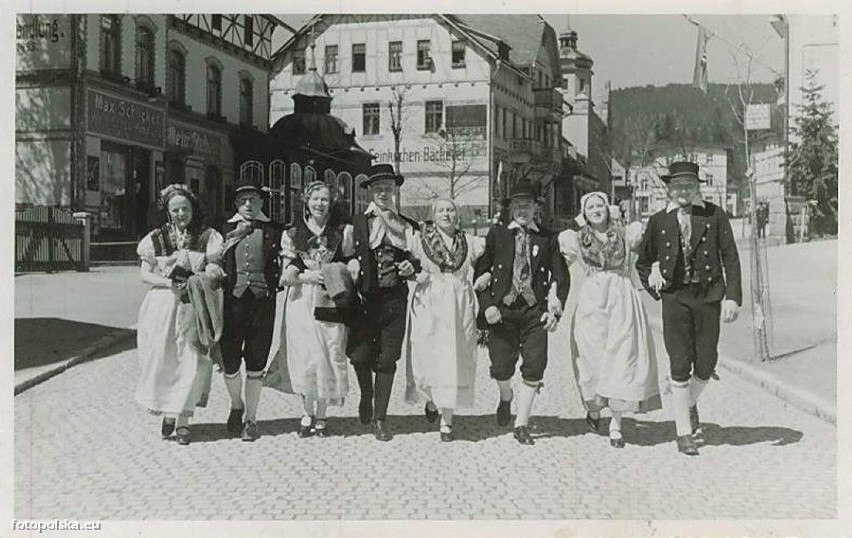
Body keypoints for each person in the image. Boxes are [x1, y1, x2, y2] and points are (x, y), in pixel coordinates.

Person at [636, 161, 742, 456]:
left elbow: (730, 257)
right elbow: (643, 262)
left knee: (706, 363)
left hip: (708, 296)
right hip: (675, 299)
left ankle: (689, 401)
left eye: (689, 185)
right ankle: (683, 431)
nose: (683, 190)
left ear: (697, 187)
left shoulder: (714, 215)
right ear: (669, 189)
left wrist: (732, 297)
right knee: (679, 364)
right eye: (677, 185)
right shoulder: (659, 221)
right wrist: (652, 282)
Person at [557, 192, 662, 449]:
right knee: (592, 360)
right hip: (592, 301)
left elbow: (652, 248)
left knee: (622, 359)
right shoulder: (574, 239)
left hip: (622, 297)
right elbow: (557, 265)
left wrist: (657, 267)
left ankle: (616, 423)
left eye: (599, 205)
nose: (595, 210)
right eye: (590, 206)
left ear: (608, 208)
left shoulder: (625, 233)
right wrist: (553, 296)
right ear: (584, 212)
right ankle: (594, 409)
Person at [473, 181, 569, 445]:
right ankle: (506, 397)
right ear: (511, 207)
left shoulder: (547, 237)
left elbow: (561, 275)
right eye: (518, 204)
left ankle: (522, 423)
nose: (523, 209)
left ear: (536, 208)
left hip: (534, 312)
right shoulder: (497, 234)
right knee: (501, 367)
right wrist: (488, 305)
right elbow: (480, 273)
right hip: (501, 312)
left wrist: (555, 310)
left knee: (535, 364)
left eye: (528, 204)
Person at [135, 184, 225, 446]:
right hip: (162, 304)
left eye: (185, 208)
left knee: (192, 358)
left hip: (193, 303)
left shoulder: (207, 236)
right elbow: (144, 274)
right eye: (175, 210)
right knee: (163, 357)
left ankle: (184, 420)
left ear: (193, 209)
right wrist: (167, 283)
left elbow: (213, 266)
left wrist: (211, 273)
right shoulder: (155, 238)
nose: (181, 214)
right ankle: (168, 410)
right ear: (168, 212)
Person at [265, 181, 355, 438]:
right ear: (306, 201)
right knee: (303, 354)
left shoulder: (341, 232)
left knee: (328, 350)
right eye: (315, 199)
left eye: (325, 200)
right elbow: (287, 271)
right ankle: (306, 412)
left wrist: (346, 269)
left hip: (329, 297)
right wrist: (305, 276)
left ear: (331, 203)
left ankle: (323, 414)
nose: (319, 204)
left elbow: (349, 260)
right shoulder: (293, 234)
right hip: (301, 298)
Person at [403, 199, 488, 442]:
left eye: (450, 210)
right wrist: (415, 273)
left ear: (458, 215)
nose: (446, 214)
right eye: (441, 210)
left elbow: (487, 260)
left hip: (459, 301)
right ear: (433, 215)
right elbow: (407, 260)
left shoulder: (469, 242)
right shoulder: (420, 240)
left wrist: (485, 276)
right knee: (428, 354)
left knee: (456, 356)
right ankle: (431, 399)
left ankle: (447, 419)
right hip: (430, 299)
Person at [347, 163, 421, 442]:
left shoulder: (406, 225)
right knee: (360, 356)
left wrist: (410, 267)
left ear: (394, 191)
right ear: (370, 192)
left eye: (387, 188)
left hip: (394, 300)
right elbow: (342, 255)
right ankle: (367, 394)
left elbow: (418, 258)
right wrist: (351, 261)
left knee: (388, 359)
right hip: (365, 300)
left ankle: (380, 417)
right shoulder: (356, 224)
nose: (383, 192)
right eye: (377, 188)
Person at [219, 179, 281, 442]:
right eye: (243, 200)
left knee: (256, 362)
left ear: (261, 202)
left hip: (262, 304)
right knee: (230, 363)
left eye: (253, 200)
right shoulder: (223, 230)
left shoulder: (274, 231)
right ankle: (236, 404)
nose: (248, 205)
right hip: (232, 304)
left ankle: (251, 419)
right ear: (236, 203)